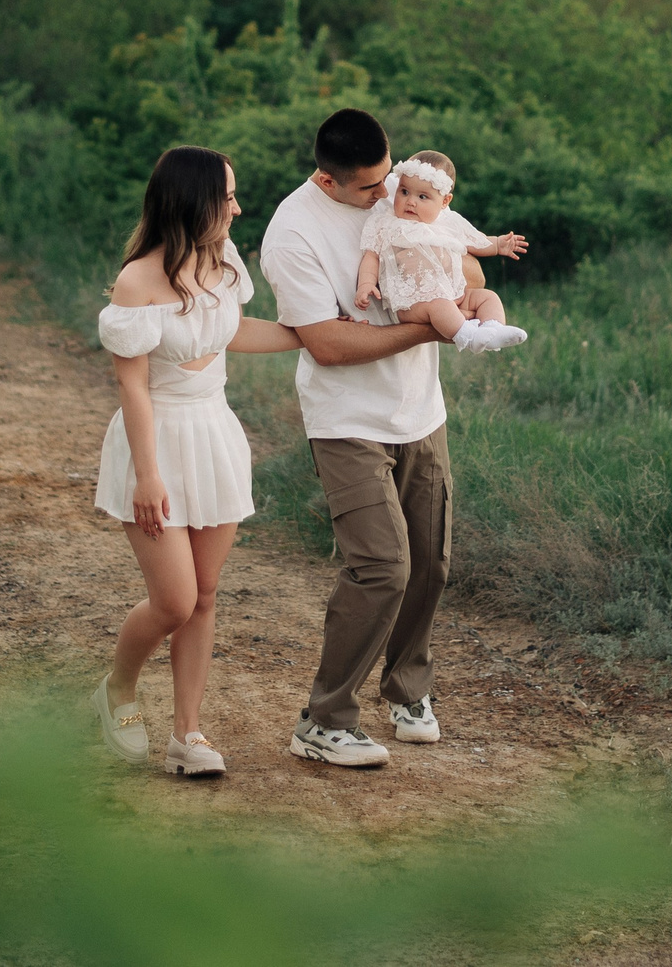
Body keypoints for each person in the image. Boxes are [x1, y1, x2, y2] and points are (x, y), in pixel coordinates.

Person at [258, 108, 527, 768]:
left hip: (420, 411)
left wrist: (452, 283)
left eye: (391, 177)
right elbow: (327, 344)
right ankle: (324, 719)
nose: (388, 193)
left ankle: (407, 689)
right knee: (383, 566)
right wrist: (432, 326)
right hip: (347, 421)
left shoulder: (402, 190)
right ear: (327, 179)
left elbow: (472, 279)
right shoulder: (292, 233)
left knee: (430, 563)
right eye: (371, 185)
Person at [91, 146, 305, 778]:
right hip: (154, 441)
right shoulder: (137, 281)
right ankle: (118, 689)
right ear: (193, 202)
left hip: (215, 435)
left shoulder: (223, 262)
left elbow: (231, 331)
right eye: (227, 197)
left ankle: (187, 734)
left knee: (205, 594)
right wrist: (147, 475)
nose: (237, 209)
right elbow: (132, 386)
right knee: (174, 601)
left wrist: (313, 334)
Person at [355, 149, 529, 353]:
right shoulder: (386, 223)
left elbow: (475, 241)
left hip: (454, 293)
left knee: (488, 297)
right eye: (404, 192)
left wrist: (498, 245)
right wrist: (366, 283)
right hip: (413, 302)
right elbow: (371, 255)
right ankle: (470, 337)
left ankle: (493, 329)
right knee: (439, 305)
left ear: (445, 201)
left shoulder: (447, 221)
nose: (411, 201)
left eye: (422, 196)